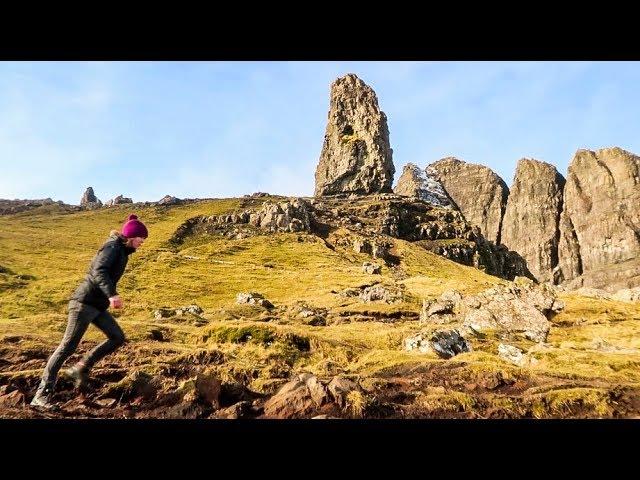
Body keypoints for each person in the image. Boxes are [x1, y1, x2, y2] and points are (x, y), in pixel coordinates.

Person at [30, 214, 149, 409]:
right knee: (67, 347)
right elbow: (99, 271)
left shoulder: (122, 251)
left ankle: (81, 367)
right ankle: (41, 395)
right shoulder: (112, 247)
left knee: (117, 337)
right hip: (83, 303)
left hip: (97, 306)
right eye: (141, 238)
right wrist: (112, 294)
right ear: (130, 236)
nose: (142, 242)